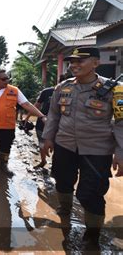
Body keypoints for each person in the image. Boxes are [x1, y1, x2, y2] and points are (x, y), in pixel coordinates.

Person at [41, 47, 123, 244]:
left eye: (81, 61)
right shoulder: (63, 87)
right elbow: (53, 115)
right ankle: (65, 209)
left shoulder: (115, 89)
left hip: (97, 150)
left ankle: (92, 235)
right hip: (64, 145)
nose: (74, 65)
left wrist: (121, 152)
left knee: (90, 194)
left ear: (96, 63)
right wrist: (47, 138)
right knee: (62, 181)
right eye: (71, 61)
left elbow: (121, 123)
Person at [0, 68, 46, 179]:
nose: (7, 81)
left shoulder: (14, 90)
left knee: (5, 147)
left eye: (8, 78)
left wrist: (41, 116)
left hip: (7, 126)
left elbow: (26, 104)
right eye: (3, 79)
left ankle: (4, 166)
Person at [24, 74, 69, 168]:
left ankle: (55, 165)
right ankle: (43, 161)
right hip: (43, 123)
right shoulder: (47, 91)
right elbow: (36, 105)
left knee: (59, 146)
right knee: (42, 144)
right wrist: (27, 117)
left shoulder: (73, 94)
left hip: (62, 125)